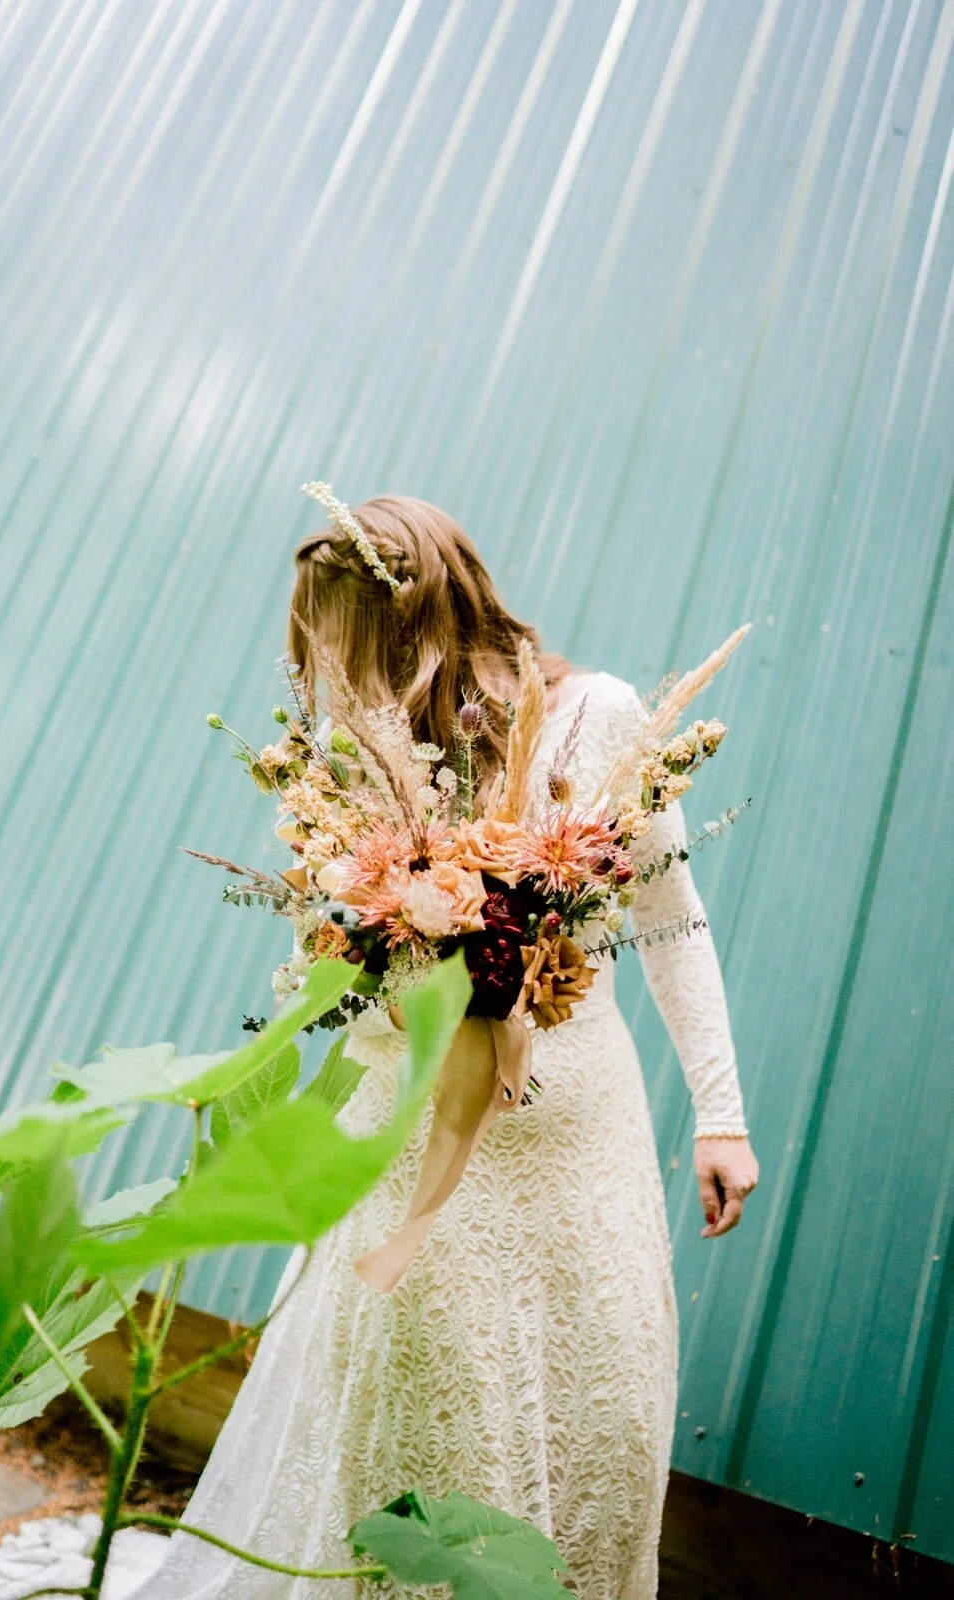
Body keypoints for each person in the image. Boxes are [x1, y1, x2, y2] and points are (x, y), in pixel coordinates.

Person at [134, 493, 760, 1600]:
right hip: (409, 1137)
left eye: (353, 638)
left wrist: (720, 1115)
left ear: (422, 613)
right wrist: (394, 961)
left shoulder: (598, 716)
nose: (341, 670)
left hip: (574, 1142)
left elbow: (670, 922)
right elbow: (327, 953)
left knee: (600, 1415)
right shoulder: (350, 766)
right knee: (413, 1428)